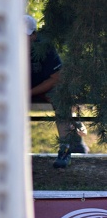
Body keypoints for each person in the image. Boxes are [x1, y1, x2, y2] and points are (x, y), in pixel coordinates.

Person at [26, 14, 86, 169]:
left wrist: (29, 93)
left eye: (25, 35)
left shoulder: (45, 46)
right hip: (18, 89)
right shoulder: (6, 46)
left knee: (61, 99)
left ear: (34, 35)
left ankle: (65, 149)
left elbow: (57, 78)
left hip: (46, 87)